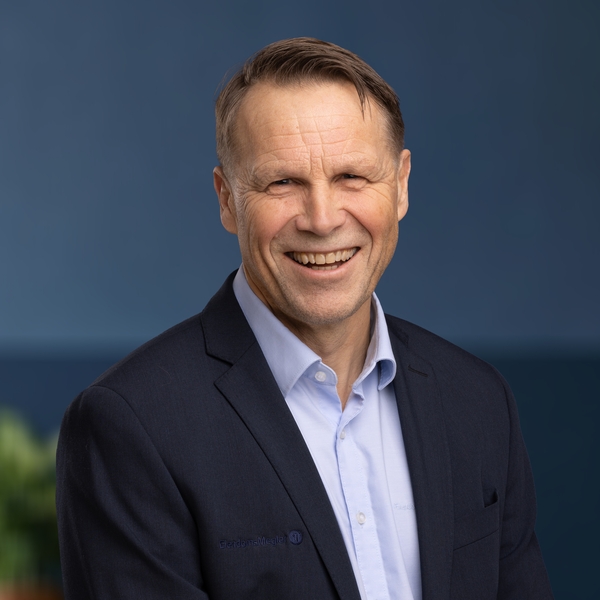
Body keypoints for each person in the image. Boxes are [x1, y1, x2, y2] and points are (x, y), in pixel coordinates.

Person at [56, 38, 553, 599]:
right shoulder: (132, 425)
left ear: (401, 185)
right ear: (227, 199)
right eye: (282, 182)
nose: (322, 219)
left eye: (352, 177)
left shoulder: (478, 401)